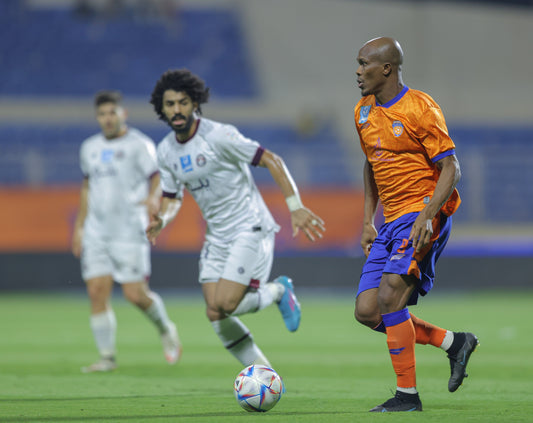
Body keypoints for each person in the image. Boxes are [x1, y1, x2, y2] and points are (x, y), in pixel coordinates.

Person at [146, 69, 325, 369]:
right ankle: (264, 375)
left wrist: (295, 206)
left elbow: (272, 159)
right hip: (217, 236)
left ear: (195, 105)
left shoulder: (219, 136)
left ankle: (279, 290)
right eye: (170, 104)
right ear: (161, 109)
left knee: (227, 303)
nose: (177, 110)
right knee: (215, 312)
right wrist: (163, 219)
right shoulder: (165, 151)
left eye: (183, 102)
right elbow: (172, 197)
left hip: (249, 227)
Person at [353, 37, 479, 412]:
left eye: (364, 64)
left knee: (391, 294)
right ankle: (453, 343)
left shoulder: (420, 107)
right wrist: (367, 220)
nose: (358, 72)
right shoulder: (362, 112)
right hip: (390, 221)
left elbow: (451, 167)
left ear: (386, 69)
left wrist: (427, 214)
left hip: (423, 213)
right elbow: (372, 163)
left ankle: (407, 397)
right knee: (368, 310)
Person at [72, 90, 181, 373]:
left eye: (112, 113)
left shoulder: (140, 145)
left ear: (123, 114)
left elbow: (160, 176)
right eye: (102, 114)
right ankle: (107, 357)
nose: (108, 119)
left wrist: (155, 196)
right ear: (97, 117)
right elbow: (87, 187)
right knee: (97, 291)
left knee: (135, 295)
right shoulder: (89, 147)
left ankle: (165, 327)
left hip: (129, 230)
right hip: (97, 231)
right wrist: (79, 227)